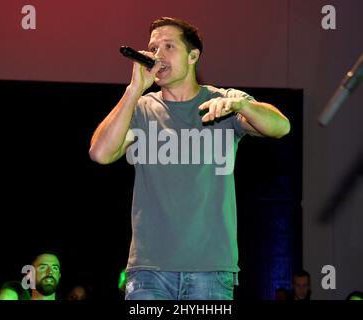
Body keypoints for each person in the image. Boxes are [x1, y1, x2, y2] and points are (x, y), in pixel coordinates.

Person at [89, 17, 290, 300]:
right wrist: (134, 90)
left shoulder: (223, 102)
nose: (158, 55)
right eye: (153, 47)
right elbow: (100, 153)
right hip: (150, 271)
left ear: (193, 56)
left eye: (169, 46)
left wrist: (242, 104)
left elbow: (281, 127)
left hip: (210, 270)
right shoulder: (142, 108)